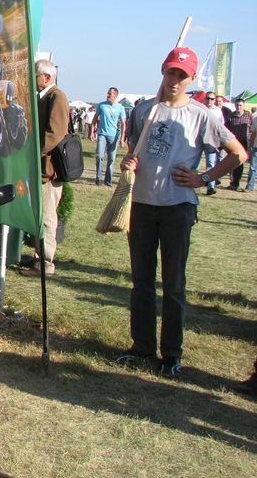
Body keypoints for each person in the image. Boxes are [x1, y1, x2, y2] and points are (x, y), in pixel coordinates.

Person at [115, 47, 247, 377]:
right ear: (163, 71)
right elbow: (133, 152)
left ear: (191, 79)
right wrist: (128, 162)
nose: (175, 80)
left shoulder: (202, 115)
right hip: (142, 206)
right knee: (141, 281)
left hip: (177, 208)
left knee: (173, 283)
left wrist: (203, 178)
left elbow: (238, 154)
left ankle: (171, 352)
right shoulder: (145, 110)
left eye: (182, 75)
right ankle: (141, 347)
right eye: (171, 72)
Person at [20, 59, 69, 277]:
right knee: (40, 216)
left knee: (47, 218)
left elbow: (55, 133)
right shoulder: (44, 97)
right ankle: (39, 260)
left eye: (36, 75)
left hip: (48, 171)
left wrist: (33, 153)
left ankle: (46, 265)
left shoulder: (57, 97)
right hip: (40, 169)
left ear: (47, 77)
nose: (33, 79)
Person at [91, 87, 127, 186]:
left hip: (114, 136)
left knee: (111, 159)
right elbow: (94, 120)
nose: (108, 95)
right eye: (107, 93)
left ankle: (108, 181)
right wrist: (92, 132)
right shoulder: (102, 105)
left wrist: (122, 138)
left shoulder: (120, 108)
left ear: (115, 95)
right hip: (102, 134)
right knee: (99, 156)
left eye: (110, 94)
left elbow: (124, 123)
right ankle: (98, 178)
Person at [224, 98, 252, 191]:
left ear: (243, 106)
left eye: (240, 105)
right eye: (237, 105)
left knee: (240, 162)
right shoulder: (231, 116)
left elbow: (252, 129)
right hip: (234, 141)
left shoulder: (249, 116)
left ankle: (237, 183)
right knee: (232, 162)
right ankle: (233, 182)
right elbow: (227, 129)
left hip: (244, 141)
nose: (238, 107)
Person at [201, 91, 224, 195]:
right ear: (205, 98)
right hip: (198, 139)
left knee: (211, 164)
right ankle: (190, 185)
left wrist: (219, 141)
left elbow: (221, 126)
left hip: (211, 140)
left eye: (212, 99)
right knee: (194, 163)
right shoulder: (200, 108)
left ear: (215, 100)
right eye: (208, 98)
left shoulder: (218, 111)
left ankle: (210, 187)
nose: (209, 100)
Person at [247, 109, 257, 192]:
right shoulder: (255, 120)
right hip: (255, 147)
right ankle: (250, 186)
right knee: (253, 167)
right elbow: (253, 134)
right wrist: (251, 145)